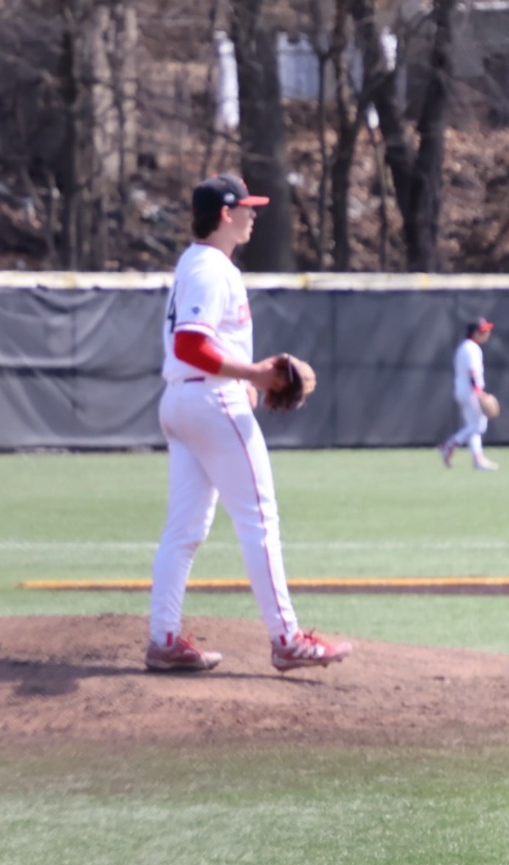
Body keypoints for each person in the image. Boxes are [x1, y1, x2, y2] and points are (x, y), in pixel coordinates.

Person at [143, 174, 351, 676]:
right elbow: (193, 344)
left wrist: (250, 380)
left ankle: (164, 638)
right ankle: (287, 639)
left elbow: (195, 346)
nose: (253, 215)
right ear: (223, 215)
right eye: (246, 208)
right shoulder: (212, 268)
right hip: (212, 402)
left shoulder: (197, 264)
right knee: (260, 519)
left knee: (185, 529)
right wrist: (253, 373)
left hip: (182, 401)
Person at [438, 318, 498, 471]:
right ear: (475, 333)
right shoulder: (471, 348)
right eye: (483, 331)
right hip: (471, 391)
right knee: (477, 426)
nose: (487, 333)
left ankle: (478, 460)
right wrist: (478, 391)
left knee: (475, 427)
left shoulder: (465, 347)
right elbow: (472, 371)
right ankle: (449, 446)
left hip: (464, 391)